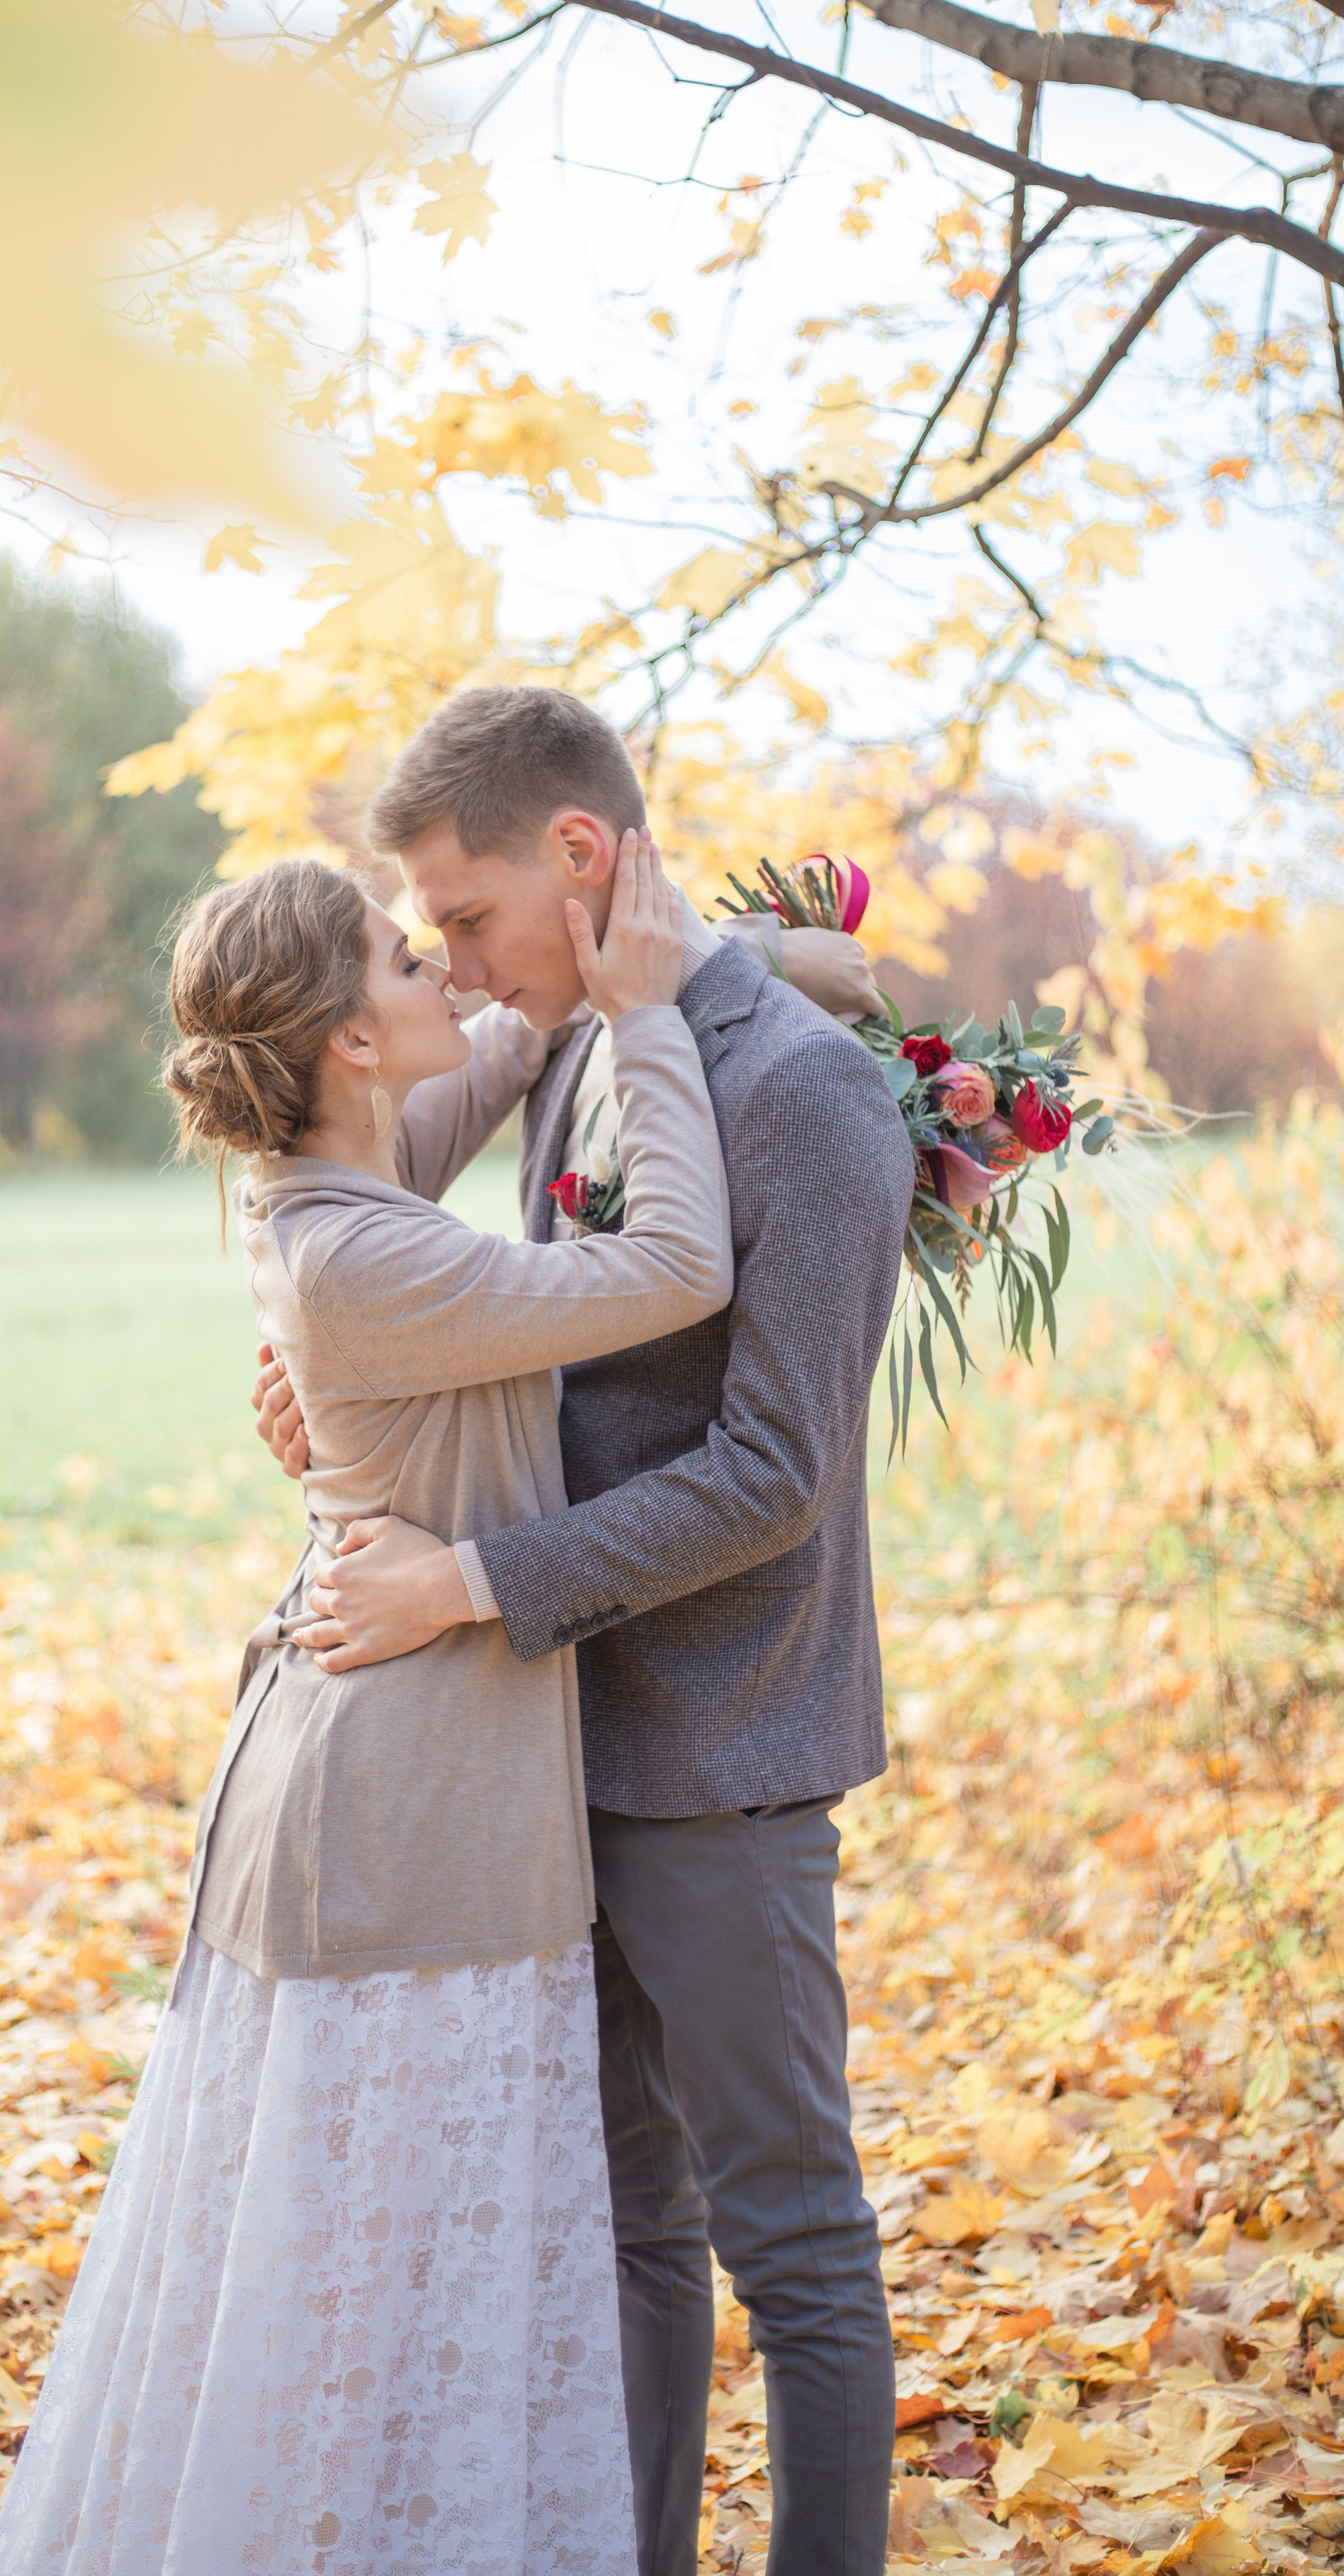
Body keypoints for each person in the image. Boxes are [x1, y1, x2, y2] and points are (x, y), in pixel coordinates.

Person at [0, 830, 738, 2576]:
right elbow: (681, 1272)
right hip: (403, 1808)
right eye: (408, 962)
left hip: (378, 1760)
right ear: (341, 1042)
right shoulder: (366, 1255)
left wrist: (681, 965)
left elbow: (504, 1043)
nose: (442, 979)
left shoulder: (332, 1181)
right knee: (374, 2287)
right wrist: (651, 1028)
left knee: (387, 2275)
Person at [251, 685, 916, 2576]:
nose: (449, 965)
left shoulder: (802, 1098)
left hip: (719, 1749)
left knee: (790, 2235)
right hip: (546, 1749)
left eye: (459, 920)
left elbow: (777, 1474)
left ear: (577, 855)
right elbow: (434, 1286)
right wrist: (319, 1379)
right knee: (628, 2221)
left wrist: (470, 1585)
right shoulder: (572, 1045)